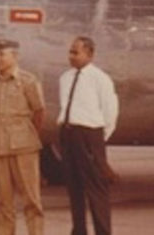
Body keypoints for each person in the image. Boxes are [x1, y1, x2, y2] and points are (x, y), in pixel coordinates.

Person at [57, 36, 119, 235]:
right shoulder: (65, 78)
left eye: (76, 52)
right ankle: (79, 230)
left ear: (89, 55)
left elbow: (110, 111)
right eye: (70, 52)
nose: (71, 56)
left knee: (96, 188)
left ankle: (102, 231)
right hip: (69, 133)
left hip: (90, 135)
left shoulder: (100, 79)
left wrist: (97, 139)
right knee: (74, 188)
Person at [0, 39, 45, 235]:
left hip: (24, 146)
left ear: (14, 56)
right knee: (4, 201)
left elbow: (39, 112)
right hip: (1, 146)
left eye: (2, 54)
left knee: (31, 199)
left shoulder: (28, 81)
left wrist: (27, 136)